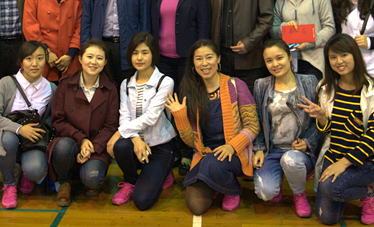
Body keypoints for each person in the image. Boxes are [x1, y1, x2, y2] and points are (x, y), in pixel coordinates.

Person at [298, 34, 374, 225]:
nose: (339, 61)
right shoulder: (326, 88)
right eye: (333, 57)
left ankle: (368, 194)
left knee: (330, 188)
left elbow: (373, 137)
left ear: (355, 55)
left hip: (363, 162)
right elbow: (329, 131)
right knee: (327, 218)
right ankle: (344, 190)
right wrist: (323, 117)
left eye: (344, 55)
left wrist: (344, 163)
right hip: (334, 155)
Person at [165, 40, 259, 214]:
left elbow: (253, 126)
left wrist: (232, 146)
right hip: (206, 154)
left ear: (218, 59)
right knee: (196, 206)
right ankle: (218, 180)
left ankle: (232, 189)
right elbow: (192, 143)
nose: (204, 63)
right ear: (193, 63)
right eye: (199, 59)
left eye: (209, 57)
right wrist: (180, 117)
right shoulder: (190, 92)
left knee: (211, 163)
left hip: (235, 154)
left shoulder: (236, 85)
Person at [151, 0, 210, 176]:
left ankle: (189, 150)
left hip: (187, 59)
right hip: (162, 59)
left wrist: (201, 57)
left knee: (188, 105)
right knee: (166, 106)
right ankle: (171, 148)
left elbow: (203, 24)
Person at [106, 33, 177, 209]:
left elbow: (151, 117)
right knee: (121, 147)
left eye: (145, 53)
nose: (139, 58)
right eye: (135, 53)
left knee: (142, 201)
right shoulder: (125, 84)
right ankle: (130, 181)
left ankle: (164, 171)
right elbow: (124, 117)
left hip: (160, 146)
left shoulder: (165, 82)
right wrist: (136, 138)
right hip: (136, 143)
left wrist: (120, 132)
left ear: (153, 54)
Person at [252, 39, 320, 217]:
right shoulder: (261, 85)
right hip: (273, 151)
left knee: (291, 161)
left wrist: (308, 142)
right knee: (266, 193)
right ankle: (279, 179)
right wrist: (259, 148)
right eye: (269, 60)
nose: (275, 64)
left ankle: (299, 194)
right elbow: (257, 119)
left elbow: (318, 121)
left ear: (289, 56)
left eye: (279, 58)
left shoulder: (310, 82)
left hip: (299, 152)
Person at [0, 41, 57, 209]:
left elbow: (50, 119)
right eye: (29, 58)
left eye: (40, 58)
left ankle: (25, 172)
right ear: (21, 61)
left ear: (46, 61)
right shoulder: (6, 83)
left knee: (36, 170)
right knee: (9, 139)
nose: (34, 63)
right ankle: (9, 184)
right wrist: (19, 129)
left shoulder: (51, 88)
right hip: (6, 138)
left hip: (32, 142)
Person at [48, 40, 120, 207]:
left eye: (99, 58)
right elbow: (58, 121)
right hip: (70, 141)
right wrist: (81, 139)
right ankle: (64, 181)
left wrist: (92, 146)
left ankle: (86, 175)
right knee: (63, 147)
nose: (94, 62)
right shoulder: (65, 84)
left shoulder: (110, 89)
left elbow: (111, 126)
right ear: (80, 59)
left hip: (96, 146)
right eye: (89, 57)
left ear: (105, 62)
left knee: (92, 179)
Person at [272, 0, 335, 81]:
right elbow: (273, 30)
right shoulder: (281, 0)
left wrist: (309, 43)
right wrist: (284, 27)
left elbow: (330, 28)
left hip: (314, 62)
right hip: (287, 62)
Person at [23, 0, 83, 81]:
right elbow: (30, 28)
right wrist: (47, 53)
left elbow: (80, 28)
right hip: (41, 59)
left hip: (69, 61)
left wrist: (70, 55)